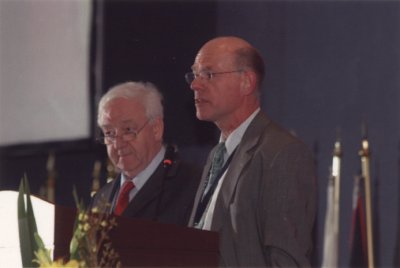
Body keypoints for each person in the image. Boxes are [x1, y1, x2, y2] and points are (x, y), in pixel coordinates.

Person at [186, 36, 317, 266]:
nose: (195, 85)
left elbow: (286, 261)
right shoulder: (217, 155)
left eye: (208, 74)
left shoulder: (282, 154)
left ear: (246, 82)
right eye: (195, 75)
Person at [90, 81, 201, 226]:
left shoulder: (193, 185)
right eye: (109, 133)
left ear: (156, 129)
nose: (117, 144)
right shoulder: (101, 198)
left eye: (128, 130)